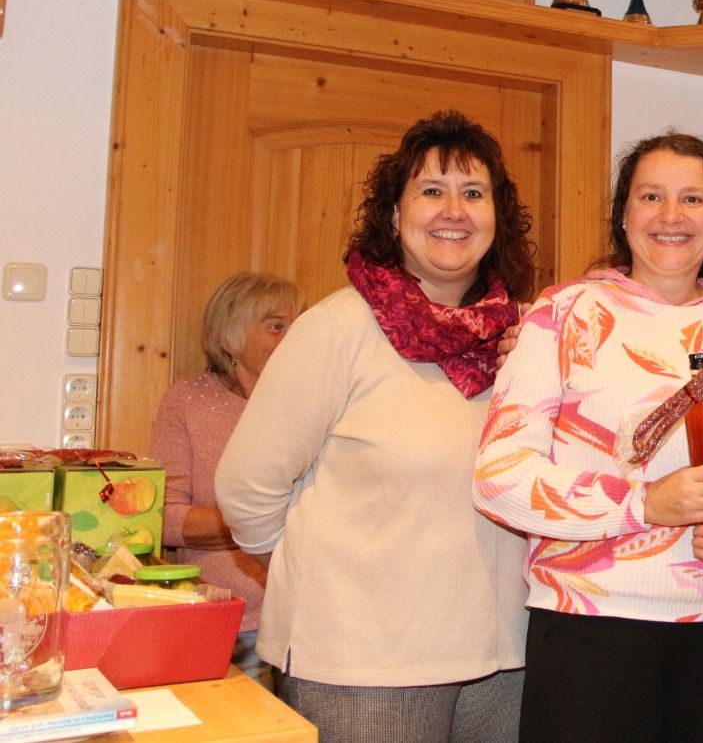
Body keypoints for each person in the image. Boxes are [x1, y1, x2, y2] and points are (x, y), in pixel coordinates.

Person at [215, 111, 534, 743]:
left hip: (503, 656)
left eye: (474, 193)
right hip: (364, 661)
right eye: (431, 190)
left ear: (496, 219)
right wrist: (326, 572)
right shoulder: (337, 329)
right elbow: (246, 488)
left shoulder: (522, 340)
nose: (454, 210)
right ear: (393, 215)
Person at [474, 132, 703, 743]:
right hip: (593, 629)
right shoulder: (565, 313)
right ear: (623, 214)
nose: (671, 216)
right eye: (651, 196)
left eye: (693, 198)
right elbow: (498, 476)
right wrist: (642, 503)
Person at [150, 270, 304, 689]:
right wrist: (262, 522)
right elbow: (163, 518)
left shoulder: (315, 400)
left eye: (299, 326)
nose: (294, 338)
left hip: (310, 623)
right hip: (228, 623)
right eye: (276, 326)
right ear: (229, 338)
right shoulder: (188, 401)